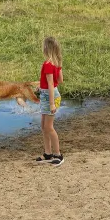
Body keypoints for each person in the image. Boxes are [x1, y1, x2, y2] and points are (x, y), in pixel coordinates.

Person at [34, 36, 64, 166]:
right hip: (48, 95)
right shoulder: (57, 63)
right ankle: (48, 153)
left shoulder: (47, 64)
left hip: (50, 97)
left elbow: (51, 84)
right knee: (43, 126)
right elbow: (60, 80)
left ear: (46, 48)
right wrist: (42, 86)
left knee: (48, 127)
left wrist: (51, 103)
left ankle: (58, 154)